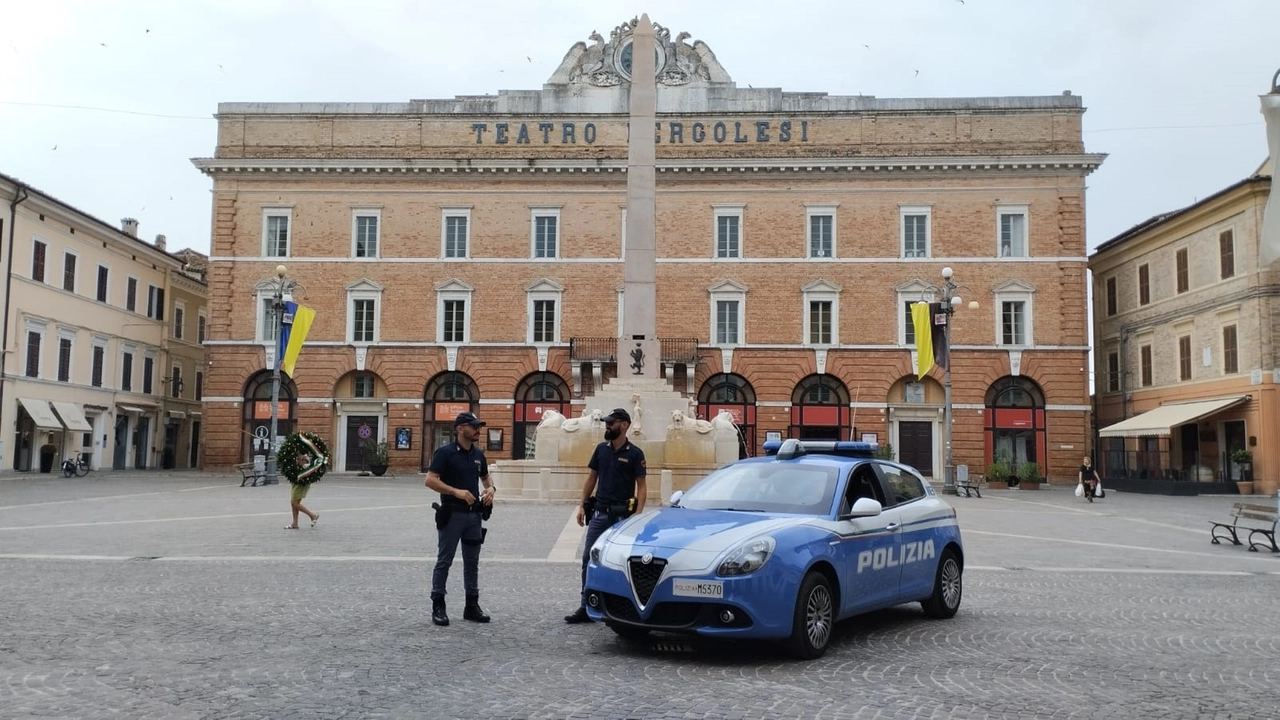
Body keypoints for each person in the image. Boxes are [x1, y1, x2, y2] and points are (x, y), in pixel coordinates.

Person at [564, 408, 647, 624]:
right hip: (600, 514)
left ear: (624, 425)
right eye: (607, 422)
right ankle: (586, 605)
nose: (607, 426)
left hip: (623, 518)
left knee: (621, 563)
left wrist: (637, 516)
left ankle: (624, 607)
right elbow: (591, 478)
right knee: (588, 559)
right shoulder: (601, 450)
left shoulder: (635, 453)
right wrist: (582, 505)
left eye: (611, 423)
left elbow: (642, 486)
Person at [424, 412, 495, 626]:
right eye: (473, 426)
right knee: (444, 561)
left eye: (478, 426)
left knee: (472, 562)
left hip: (474, 515)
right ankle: (438, 605)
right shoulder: (444, 453)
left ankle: (471, 605)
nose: (477, 430)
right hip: (452, 514)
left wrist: (491, 488)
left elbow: (485, 477)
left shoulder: (478, 454)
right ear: (459, 429)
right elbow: (430, 480)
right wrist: (455, 491)